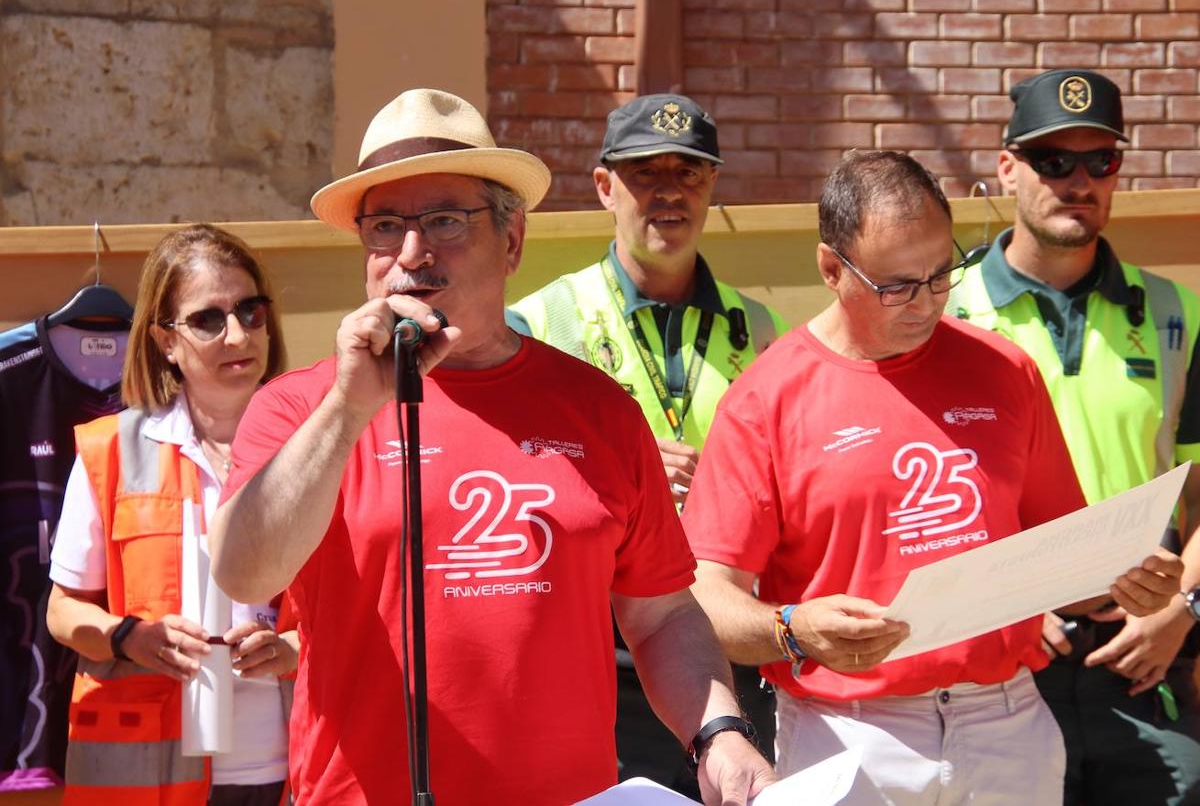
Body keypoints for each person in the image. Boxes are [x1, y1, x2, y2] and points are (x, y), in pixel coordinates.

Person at [208, 88, 775, 806]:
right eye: (385, 226)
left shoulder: (598, 410)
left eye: (446, 220)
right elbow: (244, 572)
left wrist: (719, 734)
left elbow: (662, 614)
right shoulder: (299, 409)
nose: (412, 253)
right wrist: (350, 411)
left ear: (511, 242)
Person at [683, 150, 1185, 805]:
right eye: (896, 284)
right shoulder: (766, 397)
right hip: (847, 733)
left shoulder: (1006, 371)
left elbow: (1068, 562)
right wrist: (792, 629)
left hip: (1007, 722)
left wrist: (1125, 579)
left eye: (943, 271)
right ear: (831, 268)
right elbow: (703, 597)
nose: (925, 302)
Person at [507, 93, 787, 792]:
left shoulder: (765, 329)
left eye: (689, 173)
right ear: (605, 187)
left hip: (724, 649)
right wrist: (617, 478)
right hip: (594, 647)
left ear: (713, 184)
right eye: (645, 173)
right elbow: (500, 476)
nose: (669, 193)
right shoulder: (539, 319)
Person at [948, 68, 1200, 805]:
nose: (1078, 180)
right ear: (1007, 168)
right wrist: (1009, 605)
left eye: (1101, 161)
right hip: (995, 666)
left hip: (1139, 658)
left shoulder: (1176, 313)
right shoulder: (944, 311)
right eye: (1054, 161)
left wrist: (1181, 613)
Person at [44, 224, 296, 806]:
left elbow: (368, 611)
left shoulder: (315, 445)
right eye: (209, 318)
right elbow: (62, 610)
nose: (238, 333)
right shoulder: (113, 449)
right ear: (165, 340)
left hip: (293, 765)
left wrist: (292, 649)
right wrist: (130, 637)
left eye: (250, 310)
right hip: (149, 775)